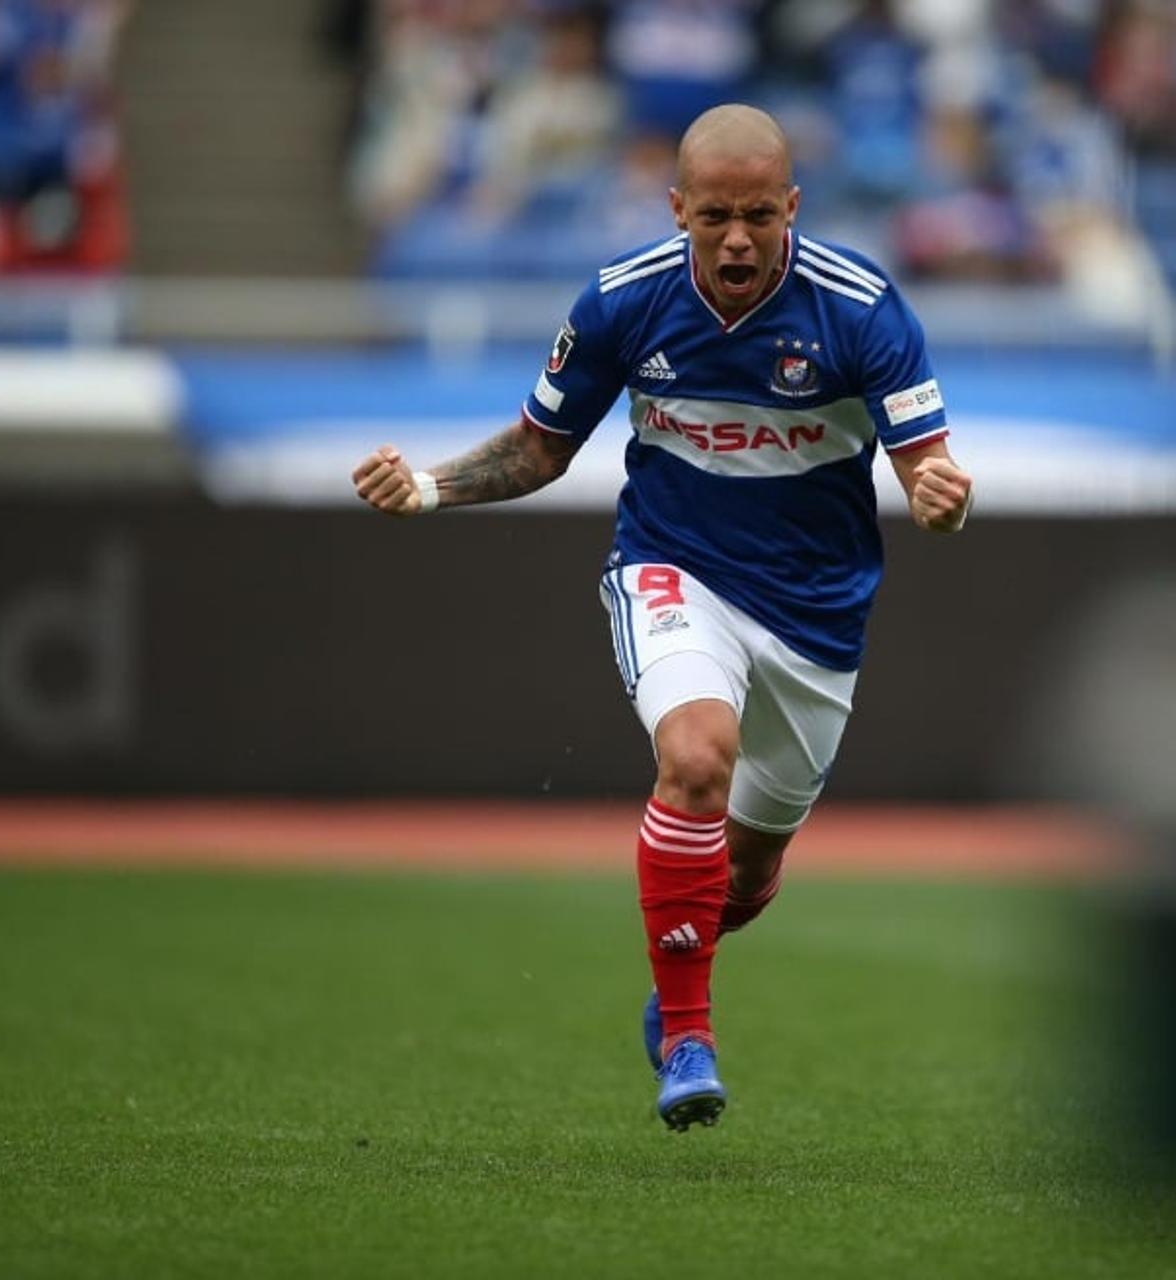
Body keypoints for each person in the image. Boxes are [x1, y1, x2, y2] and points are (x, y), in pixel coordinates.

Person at [350, 103, 973, 1131]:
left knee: (752, 863)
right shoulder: (621, 304)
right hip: (672, 569)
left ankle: (678, 977)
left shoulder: (862, 307)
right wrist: (427, 484)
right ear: (677, 207)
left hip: (817, 615)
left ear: (793, 208)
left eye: (761, 216)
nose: (738, 238)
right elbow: (539, 447)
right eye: (716, 215)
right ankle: (689, 1037)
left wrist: (946, 497)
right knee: (695, 754)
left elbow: (928, 467)